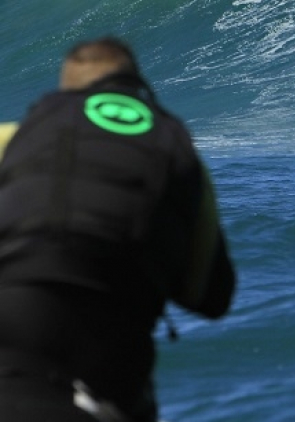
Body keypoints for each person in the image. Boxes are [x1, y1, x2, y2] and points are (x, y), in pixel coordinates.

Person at [0, 37, 236, 422]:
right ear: (138, 85)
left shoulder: (23, 134)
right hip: (111, 352)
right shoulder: (180, 153)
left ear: (67, 89)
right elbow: (210, 296)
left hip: (14, 323)